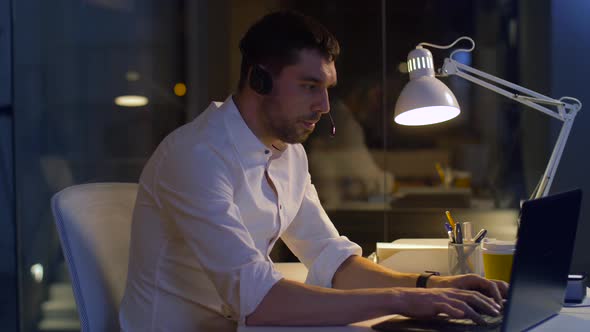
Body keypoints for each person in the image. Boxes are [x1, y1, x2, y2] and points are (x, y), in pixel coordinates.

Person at [119, 10, 508, 331]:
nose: (324, 105)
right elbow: (257, 302)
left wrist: (431, 286)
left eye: (328, 88)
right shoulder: (197, 156)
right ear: (259, 79)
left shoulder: (288, 154)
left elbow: (330, 258)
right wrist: (405, 299)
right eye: (309, 86)